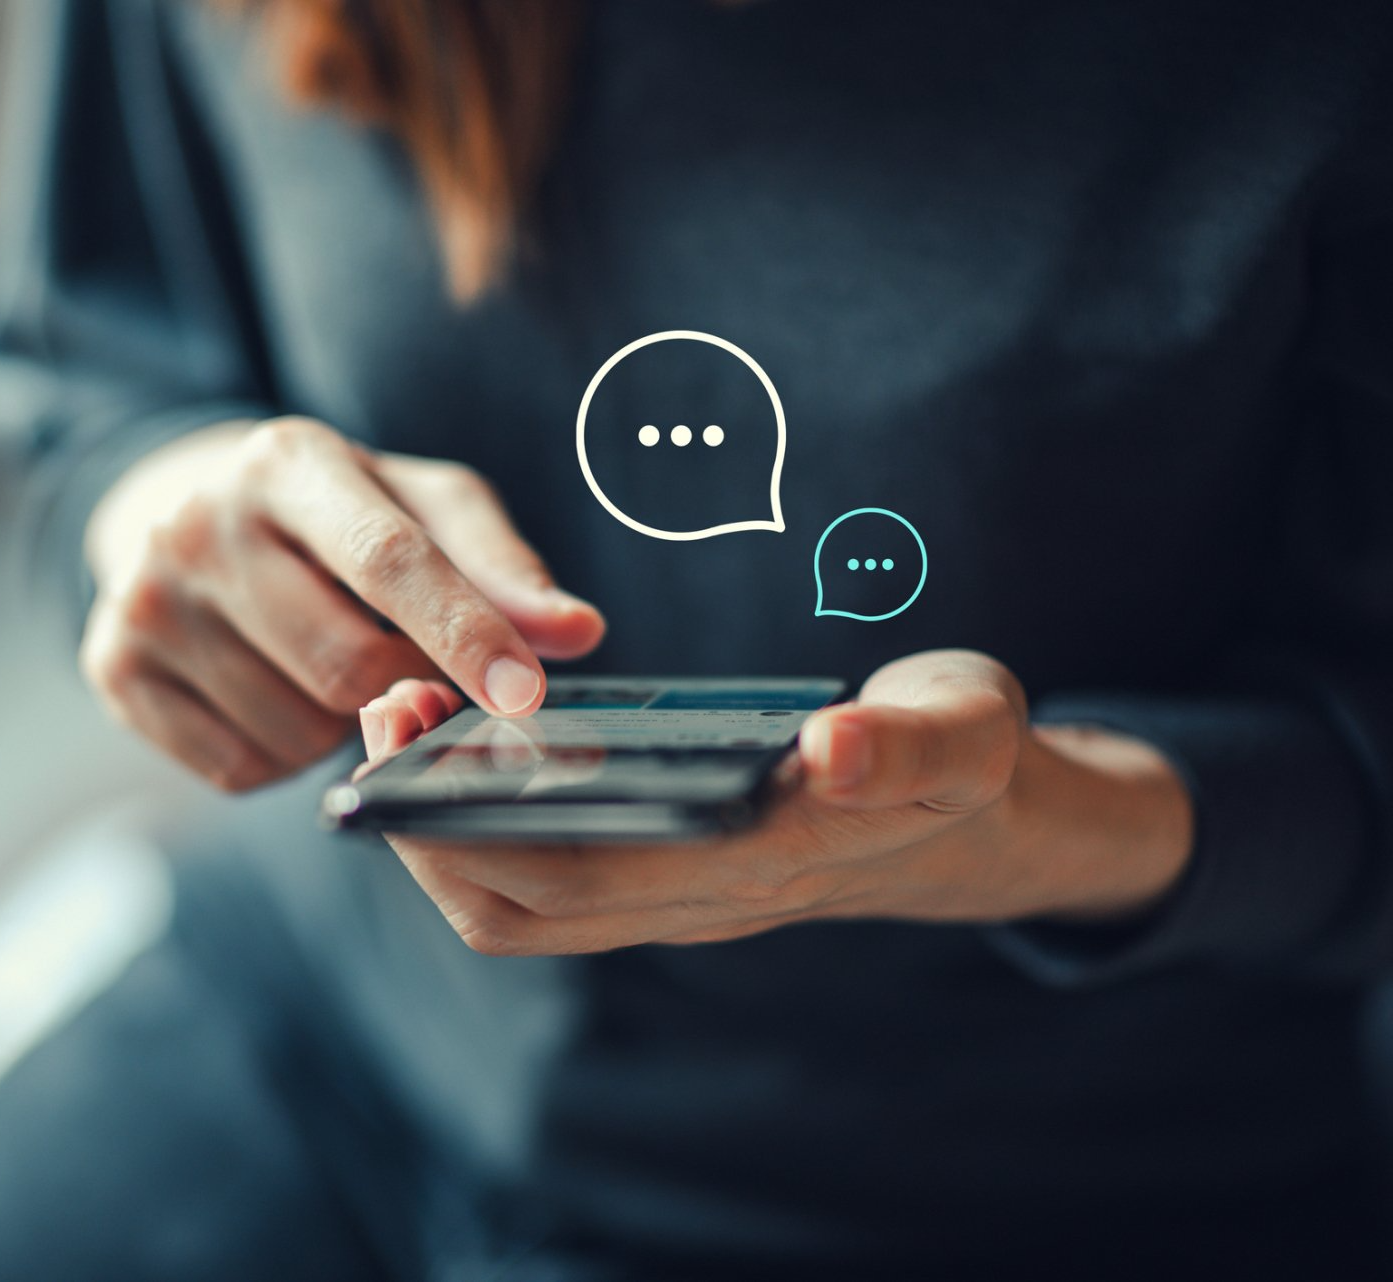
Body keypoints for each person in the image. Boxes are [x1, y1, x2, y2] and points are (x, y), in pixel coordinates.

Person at [2, 0, 1392, 1277]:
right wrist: (145, 514)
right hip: (328, 1018)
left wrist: (1057, 820)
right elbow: (84, 371)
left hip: (1042, 1183)